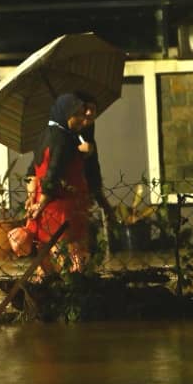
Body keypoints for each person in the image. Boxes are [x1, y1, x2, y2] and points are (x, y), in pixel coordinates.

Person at [23, 92, 113, 277]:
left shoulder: (57, 135)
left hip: (50, 205)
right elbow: (51, 170)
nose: (85, 117)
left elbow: (91, 173)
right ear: (65, 114)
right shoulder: (63, 138)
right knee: (70, 255)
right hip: (61, 207)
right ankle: (70, 293)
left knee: (47, 255)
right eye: (79, 113)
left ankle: (50, 290)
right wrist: (38, 199)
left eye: (89, 112)